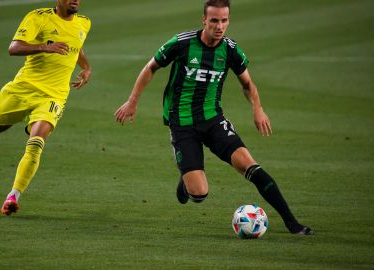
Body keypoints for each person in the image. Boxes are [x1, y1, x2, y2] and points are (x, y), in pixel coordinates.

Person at [115, 0, 311, 235]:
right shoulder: (181, 43)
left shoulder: (229, 49)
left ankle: (292, 223)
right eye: (215, 20)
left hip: (213, 120)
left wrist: (257, 109)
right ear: (204, 20)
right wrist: (133, 101)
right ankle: (187, 178)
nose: (220, 26)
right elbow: (151, 68)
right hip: (182, 123)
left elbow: (247, 83)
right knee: (199, 194)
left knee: (251, 166)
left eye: (224, 20)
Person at [0, 0, 91, 216]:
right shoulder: (37, 17)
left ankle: (13, 196)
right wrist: (45, 46)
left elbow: (75, 47)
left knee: (36, 142)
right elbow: (13, 48)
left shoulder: (85, 23)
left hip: (54, 96)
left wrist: (86, 67)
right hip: (23, 89)